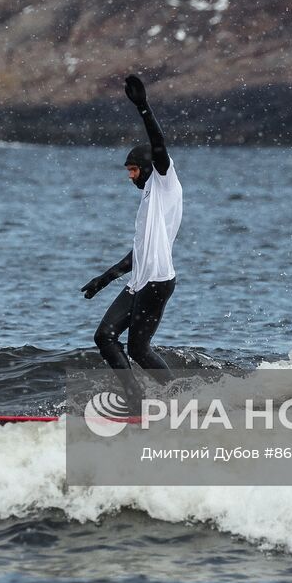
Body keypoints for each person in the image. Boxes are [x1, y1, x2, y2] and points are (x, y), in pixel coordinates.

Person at [81, 74, 182, 401]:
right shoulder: (147, 202)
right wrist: (105, 278)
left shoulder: (165, 183)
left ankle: (179, 400)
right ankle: (137, 401)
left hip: (158, 281)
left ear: (147, 167)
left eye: (133, 170)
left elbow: (158, 145)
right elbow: (138, 253)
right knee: (105, 337)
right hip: (140, 280)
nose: (130, 177)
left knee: (138, 348)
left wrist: (143, 108)